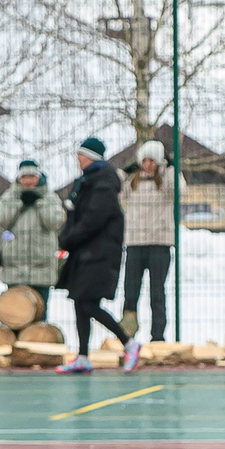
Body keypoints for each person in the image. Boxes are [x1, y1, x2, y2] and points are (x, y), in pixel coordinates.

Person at [56, 136, 124, 374]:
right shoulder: (85, 182)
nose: (78, 159)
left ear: (92, 158)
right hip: (84, 252)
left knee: (89, 304)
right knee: (80, 302)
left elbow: (93, 220)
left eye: (82, 155)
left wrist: (70, 238)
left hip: (98, 254)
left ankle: (128, 343)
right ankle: (83, 355)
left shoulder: (102, 185)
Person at [0, 159, 65, 322]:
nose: (28, 181)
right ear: (19, 178)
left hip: (41, 267)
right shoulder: (10, 195)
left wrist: (39, 202)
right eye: (25, 177)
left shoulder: (49, 196)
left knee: (39, 314)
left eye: (32, 177)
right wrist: (18, 202)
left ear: (38, 177)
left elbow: (56, 221)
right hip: (15, 267)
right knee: (14, 314)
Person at [120, 139, 176, 365]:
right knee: (130, 293)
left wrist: (170, 168)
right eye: (144, 160)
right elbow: (117, 196)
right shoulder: (131, 182)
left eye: (152, 160)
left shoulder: (166, 181)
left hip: (159, 244)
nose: (147, 164)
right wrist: (124, 173)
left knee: (157, 293)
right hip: (134, 244)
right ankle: (127, 336)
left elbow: (181, 190)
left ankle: (158, 337)